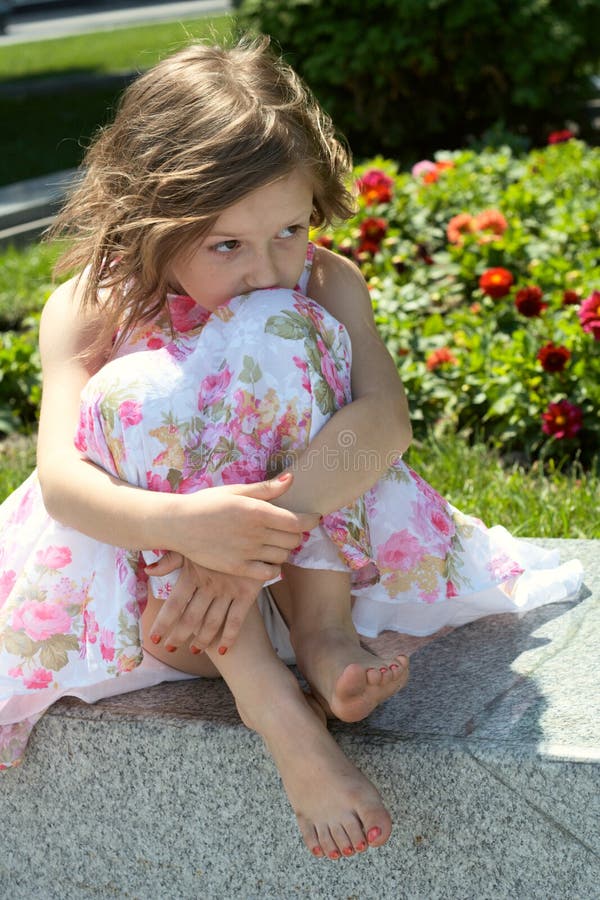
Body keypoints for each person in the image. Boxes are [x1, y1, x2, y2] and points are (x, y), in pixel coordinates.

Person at [0, 37, 583, 861]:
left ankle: (324, 640)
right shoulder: (88, 306)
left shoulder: (321, 285)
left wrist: (247, 541)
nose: (268, 266)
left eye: (289, 230)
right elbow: (61, 481)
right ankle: (272, 706)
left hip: (308, 567)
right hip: (159, 606)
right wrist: (192, 528)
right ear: (147, 222)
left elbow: (384, 422)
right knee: (131, 396)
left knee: (280, 332)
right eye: (225, 244)